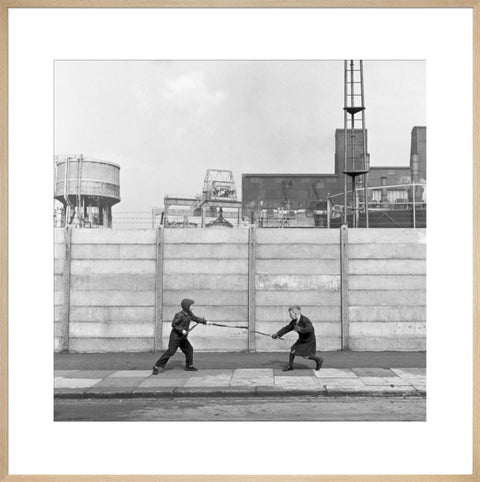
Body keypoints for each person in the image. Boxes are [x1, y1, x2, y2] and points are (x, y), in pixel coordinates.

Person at [152, 298, 210, 374]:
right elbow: (174, 324)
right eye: (192, 306)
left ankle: (189, 366)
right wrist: (182, 330)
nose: (193, 307)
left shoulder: (189, 314)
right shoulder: (179, 315)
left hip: (182, 338)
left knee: (189, 349)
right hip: (175, 338)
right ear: (187, 306)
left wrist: (205, 322)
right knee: (171, 352)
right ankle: (156, 366)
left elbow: (196, 319)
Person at [272, 305, 324, 372]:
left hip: (308, 340)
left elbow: (310, 329)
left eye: (291, 314)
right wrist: (277, 334)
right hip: (302, 339)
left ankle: (319, 359)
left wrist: (301, 329)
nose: (290, 316)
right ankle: (290, 366)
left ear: (295, 314)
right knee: (293, 350)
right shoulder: (294, 322)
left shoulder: (305, 320)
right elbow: (287, 328)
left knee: (306, 356)